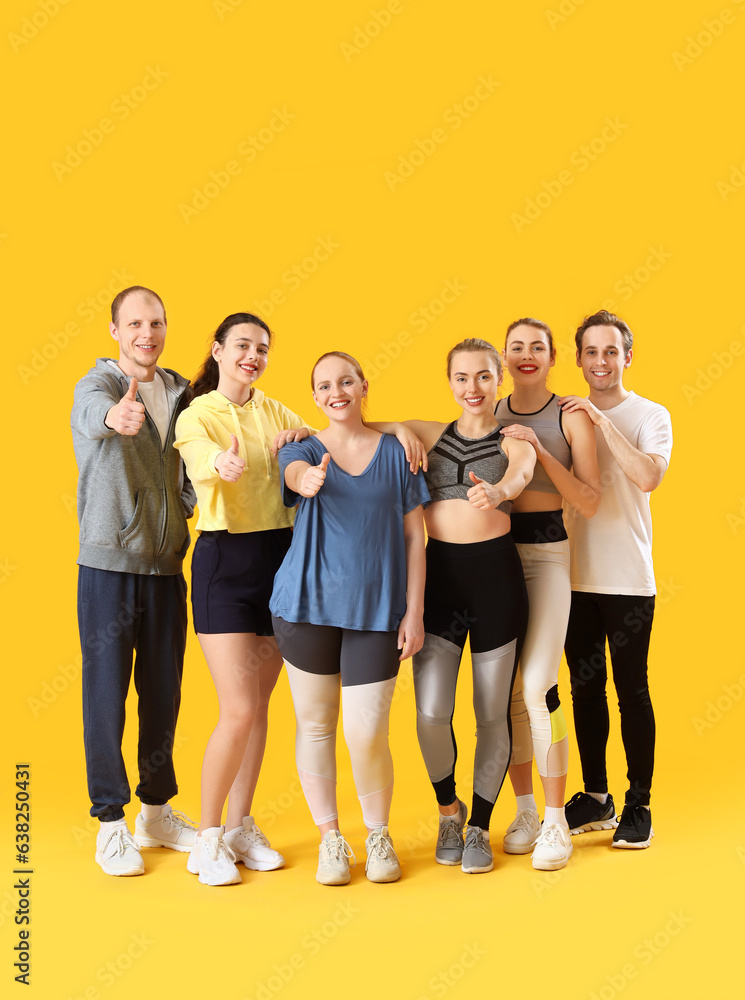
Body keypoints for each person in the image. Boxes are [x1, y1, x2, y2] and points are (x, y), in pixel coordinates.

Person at [269, 351, 429, 885]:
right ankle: (331, 838)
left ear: (363, 386)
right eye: (323, 386)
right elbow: (291, 473)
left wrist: (415, 611)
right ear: (314, 397)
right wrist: (304, 480)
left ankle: (377, 834)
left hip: (378, 612)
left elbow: (414, 536)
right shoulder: (302, 449)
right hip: (305, 607)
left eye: (345, 381)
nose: (335, 391)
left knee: (366, 732)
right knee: (315, 725)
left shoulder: (398, 451)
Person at [378, 338, 535, 874]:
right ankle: (449, 809)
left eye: (484, 377)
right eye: (463, 378)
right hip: (439, 580)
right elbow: (355, 427)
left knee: (491, 713)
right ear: (450, 382)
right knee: (430, 712)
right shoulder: (428, 432)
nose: (473, 388)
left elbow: (521, 473)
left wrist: (499, 491)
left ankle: (479, 827)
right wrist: (398, 429)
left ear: (499, 380)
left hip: (496, 582)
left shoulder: (514, 438)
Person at [173, 312, 315, 886]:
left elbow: (322, 438)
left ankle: (238, 825)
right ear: (218, 350)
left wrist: (298, 440)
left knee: (258, 708)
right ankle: (206, 839)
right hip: (224, 565)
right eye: (242, 346)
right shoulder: (198, 411)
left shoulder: (277, 409)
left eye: (261, 348)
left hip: (278, 565)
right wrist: (221, 463)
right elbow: (199, 456)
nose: (252, 356)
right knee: (236, 709)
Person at [71, 285, 197, 876]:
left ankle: (155, 810)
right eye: (136, 324)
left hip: (167, 567)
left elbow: (194, 456)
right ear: (115, 331)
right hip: (108, 567)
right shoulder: (97, 386)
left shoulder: (178, 392)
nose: (148, 333)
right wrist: (112, 416)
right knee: (105, 694)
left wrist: (191, 499)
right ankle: (110, 822)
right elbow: (89, 415)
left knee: (163, 693)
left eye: (158, 322)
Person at [560, 310, 672, 849]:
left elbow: (648, 476)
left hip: (628, 577)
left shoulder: (650, 414)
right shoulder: (562, 414)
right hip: (572, 575)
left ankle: (638, 803)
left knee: (631, 691)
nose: (601, 361)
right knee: (585, 690)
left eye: (612, 351)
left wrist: (602, 422)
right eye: (591, 352)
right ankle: (597, 797)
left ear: (628, 356)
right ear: (578, 358)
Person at [495, 318, 600, 871]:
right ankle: (526, 810)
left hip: (548, 553)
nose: (527, 355)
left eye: (538, 347)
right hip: (494, 559)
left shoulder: (569, 415)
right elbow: (416, 428)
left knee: (541, 685)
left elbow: (588, 499)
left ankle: (557, 821)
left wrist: (539, 448)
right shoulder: (487, 409)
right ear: (505, 356)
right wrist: (311, 431)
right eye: (517, 347)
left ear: (553, 356)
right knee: (510, 692)